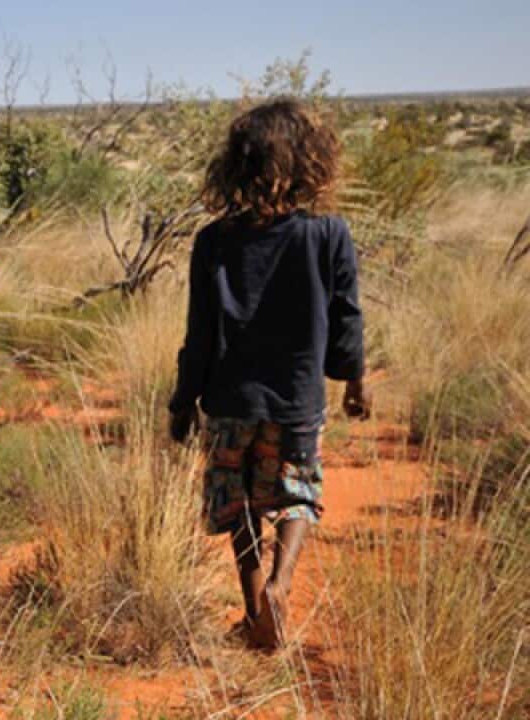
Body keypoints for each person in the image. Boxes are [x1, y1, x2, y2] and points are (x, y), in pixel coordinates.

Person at [168, 98, 368, 650]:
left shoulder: (214, 241)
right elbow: (347, 313)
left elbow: (200, 333)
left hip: (229, 397)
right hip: (298, 399)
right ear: (310, 162)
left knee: (236, 504)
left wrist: (183, 402)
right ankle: (281, 588)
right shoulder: (329, 234)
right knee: (295, 493)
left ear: (238, 164)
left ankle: (256, 609)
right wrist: (352, 378)